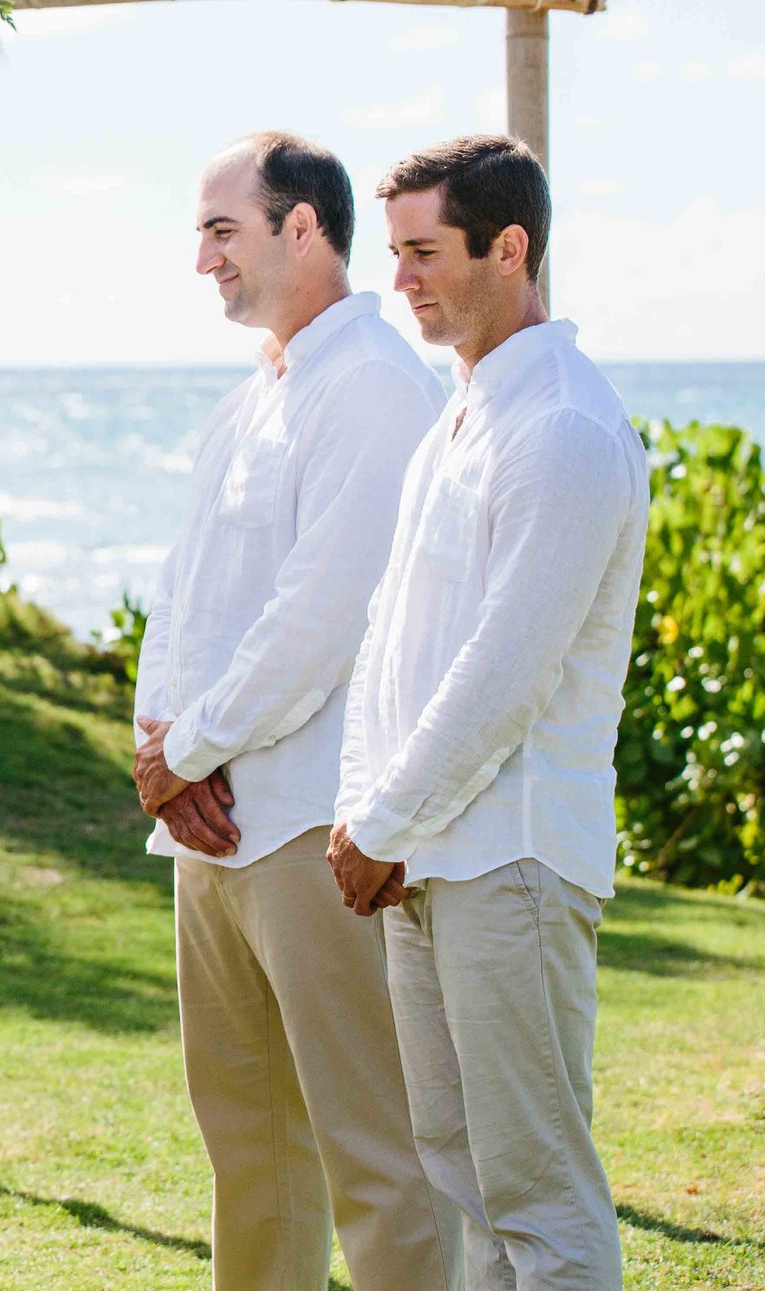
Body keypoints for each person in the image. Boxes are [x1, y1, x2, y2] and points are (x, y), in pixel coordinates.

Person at [130, 136, 459, 1291]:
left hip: (308, 830)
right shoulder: (247, 398)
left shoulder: (371, 384)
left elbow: (321, 613)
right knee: (250, 1153)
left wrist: (190, 752)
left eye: (223, 230)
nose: (203, 258)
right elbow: (180, 595)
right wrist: (158, 747)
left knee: (376, 1157)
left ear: (305, 228)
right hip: (212, 833)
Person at [334, 135, 648, 1291]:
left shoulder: (561, 427)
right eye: (395, 253)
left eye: (424, 252)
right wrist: (365, 813)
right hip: (427, 854)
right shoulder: (461, 412)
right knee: (464, 1179)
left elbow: (504, 670)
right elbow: (391, 641)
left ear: (508, 248)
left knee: (537, 1190)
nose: (400, 280)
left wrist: (384, 823)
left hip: (508, 854)